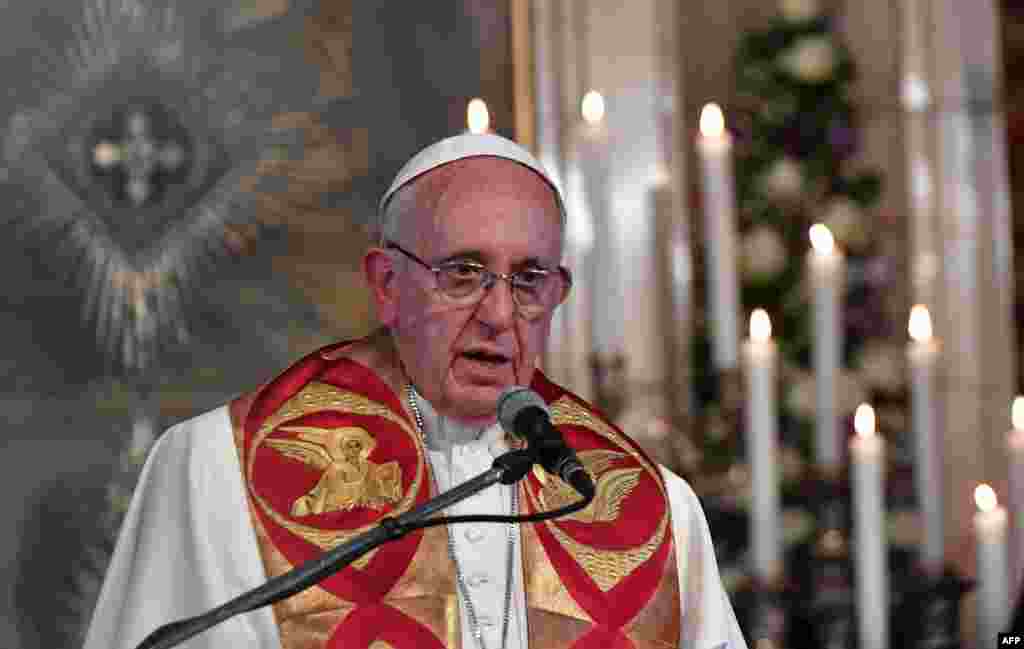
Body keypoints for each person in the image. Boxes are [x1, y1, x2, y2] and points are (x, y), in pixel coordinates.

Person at [83, 132, 748, 649]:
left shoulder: (650, 509)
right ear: (385, 285)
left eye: (528, 279)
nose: (498, 314)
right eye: (463, 272)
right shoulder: (217, 472)